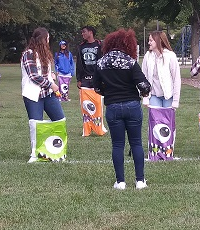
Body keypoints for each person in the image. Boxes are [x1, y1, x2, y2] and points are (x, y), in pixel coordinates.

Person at [93, 28, 151, 190]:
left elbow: (96, 87)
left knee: (117, 145)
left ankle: (120, 182)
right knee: (136, 143)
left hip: (113, 106)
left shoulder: (101, 63)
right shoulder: (130, 62)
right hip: (132, 105)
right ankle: (140, 181)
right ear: (129, 44)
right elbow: (144, 86)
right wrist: (143, 93)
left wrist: (108, 92)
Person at [21, 27, 66, 162]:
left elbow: (45, 73)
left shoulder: (45, 53)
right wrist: (50, 84)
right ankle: (35, 153)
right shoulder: (28, 54)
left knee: (59, 120)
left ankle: (58, 150)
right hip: (33, 94)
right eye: (47, 38)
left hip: (49, 94)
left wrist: (51, 76)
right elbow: (33, 76)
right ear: (42, 40)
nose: (48, 40)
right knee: (35, 124)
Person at [77, 26, 106, 137]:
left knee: (98, 104)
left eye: (84, 32)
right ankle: (87, 130)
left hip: (97, 79)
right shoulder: (81, 46)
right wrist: (79, 79)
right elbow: (79, 63)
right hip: (85, 80)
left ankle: (99, 128)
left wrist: (103, 78)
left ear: (90, 32)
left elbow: (102, 62)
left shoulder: (99, 45)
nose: (82, 34)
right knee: (85, 105)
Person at [142, 30, 181, 108]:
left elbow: (176, 79)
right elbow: (144, 77)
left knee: (167, 120)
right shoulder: (147, 56)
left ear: (158, 41)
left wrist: (175, 101)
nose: (149, 43)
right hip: (153, 95)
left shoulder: (170, 56)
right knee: (155, 120)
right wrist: (145, 97)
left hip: (168, 96)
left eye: (151, 40)